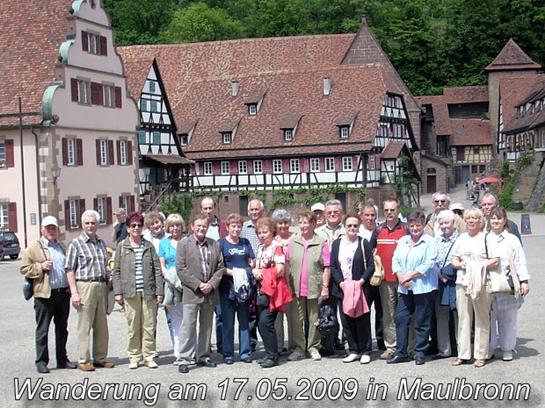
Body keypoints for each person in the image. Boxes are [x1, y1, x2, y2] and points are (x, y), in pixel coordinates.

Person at [20, 216, 76, 374]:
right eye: (48, 228)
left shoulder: (62, 246)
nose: (51, 231)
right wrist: (40, 266)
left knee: (62, 329)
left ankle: (62, 359)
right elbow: (24, 269)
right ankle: (41, 361)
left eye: (54, 228)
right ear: (42, 230)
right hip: (44, 294)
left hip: (62, 293)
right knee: (42, 330)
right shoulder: (33, 248)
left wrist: (70, 287)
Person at [112, 212, 163, 369]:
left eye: (139, 225)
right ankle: (134, 356)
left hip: (148, 291)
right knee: (133, 326)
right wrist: (117, 292)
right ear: (127, 228)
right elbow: (117, 270)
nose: (136, 228)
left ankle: (148, 355)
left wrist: (159, 291)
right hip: (130, 292)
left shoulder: (149, 246)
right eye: (133, 225)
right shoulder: (122, 246)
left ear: (142, 228)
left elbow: (157, 269)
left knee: (149, 325)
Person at [387, 210, 438, 365]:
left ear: (423, 225)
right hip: (404, 287)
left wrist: (410, 275)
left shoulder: (430, 241)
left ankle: (419, 352)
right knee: (400, 318)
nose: (415, 228)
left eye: (418, 225)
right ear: (408, 226)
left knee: (422, 320)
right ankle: (401, 352)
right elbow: (395, 259)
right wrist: (400, 276)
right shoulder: (403, 240)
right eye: (412, 225)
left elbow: (429, 263)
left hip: (423, 287)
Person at [450, 208, 500, 368]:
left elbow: (495, 260)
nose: (471, 221)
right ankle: (463, 354)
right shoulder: (461, 238)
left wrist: (477, 266)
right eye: (468, 218)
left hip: (481, 282)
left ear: (480, 221)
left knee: (482, 319)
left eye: (474, 218)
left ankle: (481, 354)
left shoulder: (487, 238)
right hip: (462, 282)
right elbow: (454, 260)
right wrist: (462, 264)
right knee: (464, 319)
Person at [176, 214, 225, 374]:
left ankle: (203, 355)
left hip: (209, 292)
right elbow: (181, 269)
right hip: (192, 292)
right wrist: (198, 285)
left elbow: (220, 267)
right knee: (188, 326)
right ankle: (184, 358)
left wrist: (211, 284)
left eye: (204, 226)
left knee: (206, 326)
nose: (201, 228)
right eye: (198, 225)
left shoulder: (214, 244)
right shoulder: (183, 244)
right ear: (192, 227)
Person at [65, 210, 114, 371]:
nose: (90, 226)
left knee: (102, 325)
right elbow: (70, 269)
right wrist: (74, 292)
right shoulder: (76, 244)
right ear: (82, 224)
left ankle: (100, 357)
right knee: (84, 325)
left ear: (98, 224)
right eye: (87, 223)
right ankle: (84, 359)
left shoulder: (100, 243)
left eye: (93, 223)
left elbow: (105, 265)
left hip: (101, 285)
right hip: (85, 285)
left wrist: (109, 278)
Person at [487, 207, 530, 361]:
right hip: (490, 284)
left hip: (508, 283)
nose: (495, 221)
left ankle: (507, 347)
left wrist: (524, 281)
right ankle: (490, 347)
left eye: (499, 218)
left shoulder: (512, 239)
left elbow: (520, 261)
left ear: (504, 220)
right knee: (489, 318)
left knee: (508, 318)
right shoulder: (485, 238)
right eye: (493, 218)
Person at [287, 210, 330, 361]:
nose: (303, 226)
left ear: (313, 224)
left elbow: (327, 266)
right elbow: (287, 263)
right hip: (296, 288)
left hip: (314, 286)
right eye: (301, 222)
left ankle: (313, 347)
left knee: (314, 319)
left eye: (306, 222)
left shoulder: (321, 242)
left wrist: (325, 287)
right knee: (297, 319)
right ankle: (299, 348)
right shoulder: (293, 242)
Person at [330, 214, 374, 364]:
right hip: (343, 288)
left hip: (360, 287)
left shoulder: (364, 243)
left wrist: (361, 281)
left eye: (355, 225)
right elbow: (333, 266)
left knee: (362, 319)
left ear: (359, 226)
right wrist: (341, 283)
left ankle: (366, 350)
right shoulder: (336, 244)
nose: (352, 228)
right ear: (344, 226)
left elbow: (371, 265)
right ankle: (354, 350)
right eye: (349, 225)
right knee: (346, 320)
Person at [371, 198, 408, 360]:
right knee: (388, 314)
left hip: (404, 279)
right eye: (386, 210)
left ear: (398, 210)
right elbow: (371, 251)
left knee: (406, 314)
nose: (389, 213)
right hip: (385, 280)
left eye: (392, 210)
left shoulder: (406, 229)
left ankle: (407, 345)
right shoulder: (378, 230)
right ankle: (391, 346)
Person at [252, 217, 291, 368]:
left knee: (265, 322)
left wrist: (261, 272)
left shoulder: (277, 246)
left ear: (272, 232)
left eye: (265, 232)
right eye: (259, 232)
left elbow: (280, 269)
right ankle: (269, 353)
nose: (262, 235)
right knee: (262, 323)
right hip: (262, 290)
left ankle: (273, 356)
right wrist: (254, 270)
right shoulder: (260, 248)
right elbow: (256, 266)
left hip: (273, 290)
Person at [218, 213, 255, 364]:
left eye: (239, 226)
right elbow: (219, 266)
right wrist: (235, 273)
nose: (236, 229)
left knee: (244, 321)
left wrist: (247, 270)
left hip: (243, 289)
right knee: (228, 321)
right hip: (227, 287)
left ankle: (245, 352)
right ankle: (228, 354)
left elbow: (251, 260)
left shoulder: (245, 242)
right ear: (227, 227)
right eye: (233, 226)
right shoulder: (221, 243)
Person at [315, 199, 346, 354]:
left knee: (346, 310)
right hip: (325, 276)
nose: (333, 214)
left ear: (341, 214)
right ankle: (329, 342)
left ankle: (347, 342)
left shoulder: (348, 229)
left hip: (343, 276)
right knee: (327, 311)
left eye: (336, 212)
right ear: (325, 215)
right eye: (329, 212)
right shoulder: (318, 232)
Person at [200, 196, 227, 355]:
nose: (208, 211)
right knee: (204, 315)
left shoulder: (222, 226)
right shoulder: (197, 227)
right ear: (201, 210)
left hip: (219, 276)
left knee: (220, 314)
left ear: (215, 208)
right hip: (203, 278)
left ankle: (222, 345)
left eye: (211, 208)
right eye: (205, 208)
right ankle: (205, 346)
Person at [158, 213, 186, 364]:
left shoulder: (188, 241)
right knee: (175, 321)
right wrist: (171, 277)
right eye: (172, 225)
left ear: (182, 226)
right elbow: (161, 264)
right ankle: (178, 353)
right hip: (170, 284)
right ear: (168, 227)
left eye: (178, 225)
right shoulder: (163, 243)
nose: (175, 228)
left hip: (186, 285)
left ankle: (190, 351)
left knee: (189, 320)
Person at [358, 203, 384, 351]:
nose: (370, 218)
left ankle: (381, 341)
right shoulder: (357, 232)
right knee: (364, 311)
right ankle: (365, 343)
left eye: (372, 215)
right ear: (361, 216)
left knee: (381, 312)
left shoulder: (380, 231)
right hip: (363, 278)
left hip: (380, 277)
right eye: (367, 215)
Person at [433, 210, 460, 359]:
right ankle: (444, 350)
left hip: (456, 282)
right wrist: (439, 274)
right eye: (441, 223)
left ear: (453, 223)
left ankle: (461, 349)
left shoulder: (461, 239)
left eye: (446, 223)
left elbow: (463, 260)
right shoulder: (436, 240)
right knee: (441, 316)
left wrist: (447, 273)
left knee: (458, 316)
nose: (444, 226)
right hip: (440, 283)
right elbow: (433, 260)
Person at [241, 198, 265, 351]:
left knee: (263, 308)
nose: (255, 212)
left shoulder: (268, 225)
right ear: (248, 212)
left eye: (257, 209)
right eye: (252, 210)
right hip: (250, 274)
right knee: (250, 309)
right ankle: (251, 340)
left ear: (262, 211)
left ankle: (269, 339)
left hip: (265, 274)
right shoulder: (243, 228)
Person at [271, 208, 294, 352]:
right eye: (280, 223)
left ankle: (293, 345)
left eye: (286, 222)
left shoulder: (296, 237)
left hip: (292, 280)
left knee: (292, 316)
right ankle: (278, 345)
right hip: (277, 282)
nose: (283, 226)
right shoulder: (272, 240)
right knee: (277, 316)